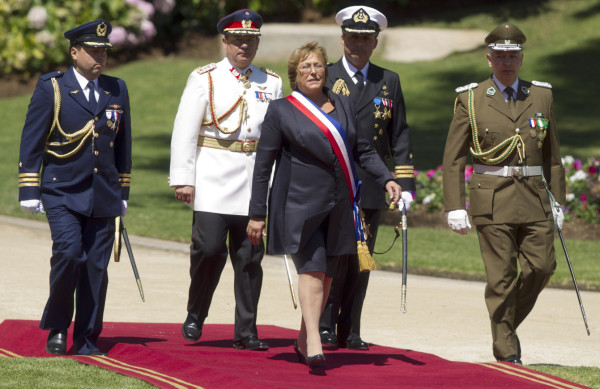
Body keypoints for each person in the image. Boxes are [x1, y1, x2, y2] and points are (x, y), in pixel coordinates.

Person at [247, 41, 402, 368]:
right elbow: (264, 166)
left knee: (328, 273)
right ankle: (316, 339)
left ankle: (303, 339)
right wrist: (256, 214)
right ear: (295, 75)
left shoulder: (343, 105)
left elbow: (363, 150)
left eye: (318, 65)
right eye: (305, 67)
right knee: (313, 268)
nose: (313, 72)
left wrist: (387, 178)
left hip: (340, 205)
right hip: (299, 207)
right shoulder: (281, 110)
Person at [442, 23, 565, 364]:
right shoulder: (471, 98)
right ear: (488, 59)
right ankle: (507, 352)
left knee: (541, 267)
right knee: (502, 279)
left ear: (522, 58)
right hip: (491, 198)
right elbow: (453, 158)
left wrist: (559, 200)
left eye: (513, 56)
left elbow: (553, 156)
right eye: (500, 56)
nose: (506, 62)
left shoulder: (541, 95)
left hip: (535, 197)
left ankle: (504, 327)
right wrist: (455, 206)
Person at [169, 9, 283, 351]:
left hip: (253, 180)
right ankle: (195, 313)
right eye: (237, 40)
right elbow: (185, 129)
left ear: (257, 43)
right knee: (208, 248)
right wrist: (183, 179)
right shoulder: (204, 77)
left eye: (250, 40)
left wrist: (276, 186)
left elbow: (276, 137)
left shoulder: (271, 82)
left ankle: (246, 330)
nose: (243, 46)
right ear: (225, 42)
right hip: (213, 177)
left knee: (250, 256)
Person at [18, 20, 132, 356]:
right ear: (74, 52)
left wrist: (123, 193)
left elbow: (122, 145)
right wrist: (28, 187)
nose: (100, 57)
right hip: (63, 190)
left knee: (96, 266)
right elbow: (32, 139)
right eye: (93, 50)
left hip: (104, 194)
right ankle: (57, 327)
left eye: (104, 51)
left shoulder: (116, 89)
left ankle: (86, 335)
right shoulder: (52, 88)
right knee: (68, 254)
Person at [319, 5, 416, 351]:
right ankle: (326, 324)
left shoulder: (387, 81)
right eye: (353, 37)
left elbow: (399, 135)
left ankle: (352, 328)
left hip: (373, 184)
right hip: (333, 180)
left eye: (366, 38)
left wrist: (405, 184)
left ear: (375, 42)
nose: (358, 44)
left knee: (363, 259)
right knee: (334, 256)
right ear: (342, 39)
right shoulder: (325, 77)